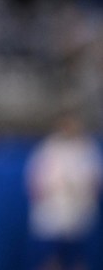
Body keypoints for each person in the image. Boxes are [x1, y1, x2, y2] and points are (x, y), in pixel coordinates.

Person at [25, 113, 103, 270]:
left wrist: (80, 189)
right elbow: (35, 177)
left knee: (76, 256)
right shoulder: (48, 148)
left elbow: (95, 179)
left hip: (78, 210)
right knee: (49, 256)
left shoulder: (88, 149)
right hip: (52, 210)